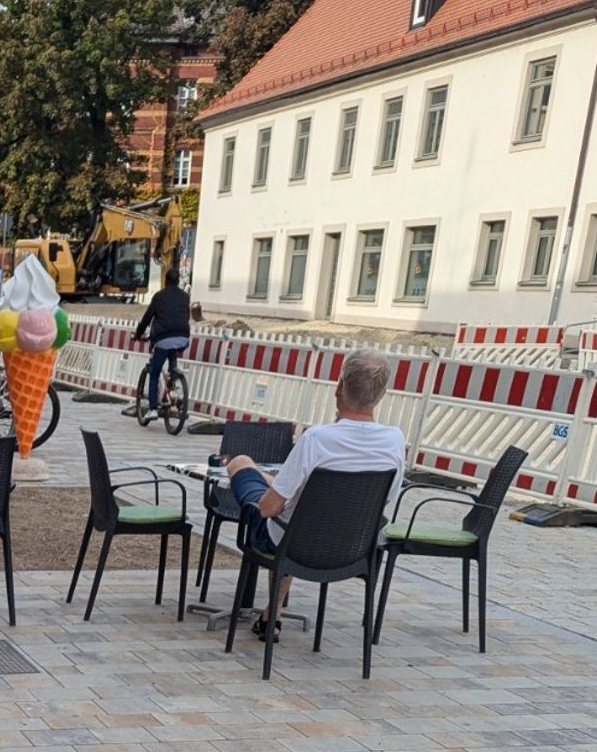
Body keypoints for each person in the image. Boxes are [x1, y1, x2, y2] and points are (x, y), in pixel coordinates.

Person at [226, 349, 405, 635]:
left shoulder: (316, 439)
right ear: (382, 394)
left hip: (293, 544)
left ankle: (254, 471)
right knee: (300, 512)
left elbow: (268, 510)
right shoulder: (395, 441)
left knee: (241, 466)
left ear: (339, 387)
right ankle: (274, 613)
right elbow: (383, 499)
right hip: (350, 547)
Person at [135, 267, 192, 414]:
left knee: (154, 372)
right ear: (178, 281)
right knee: (172, 352)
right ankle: (173, 383)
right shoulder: (185, 297)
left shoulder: (159, 296)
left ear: (165, 281)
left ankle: (153, 409)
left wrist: (137, 334)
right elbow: (185, 317)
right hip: (183, 338)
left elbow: (147, 319)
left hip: (163, 338)